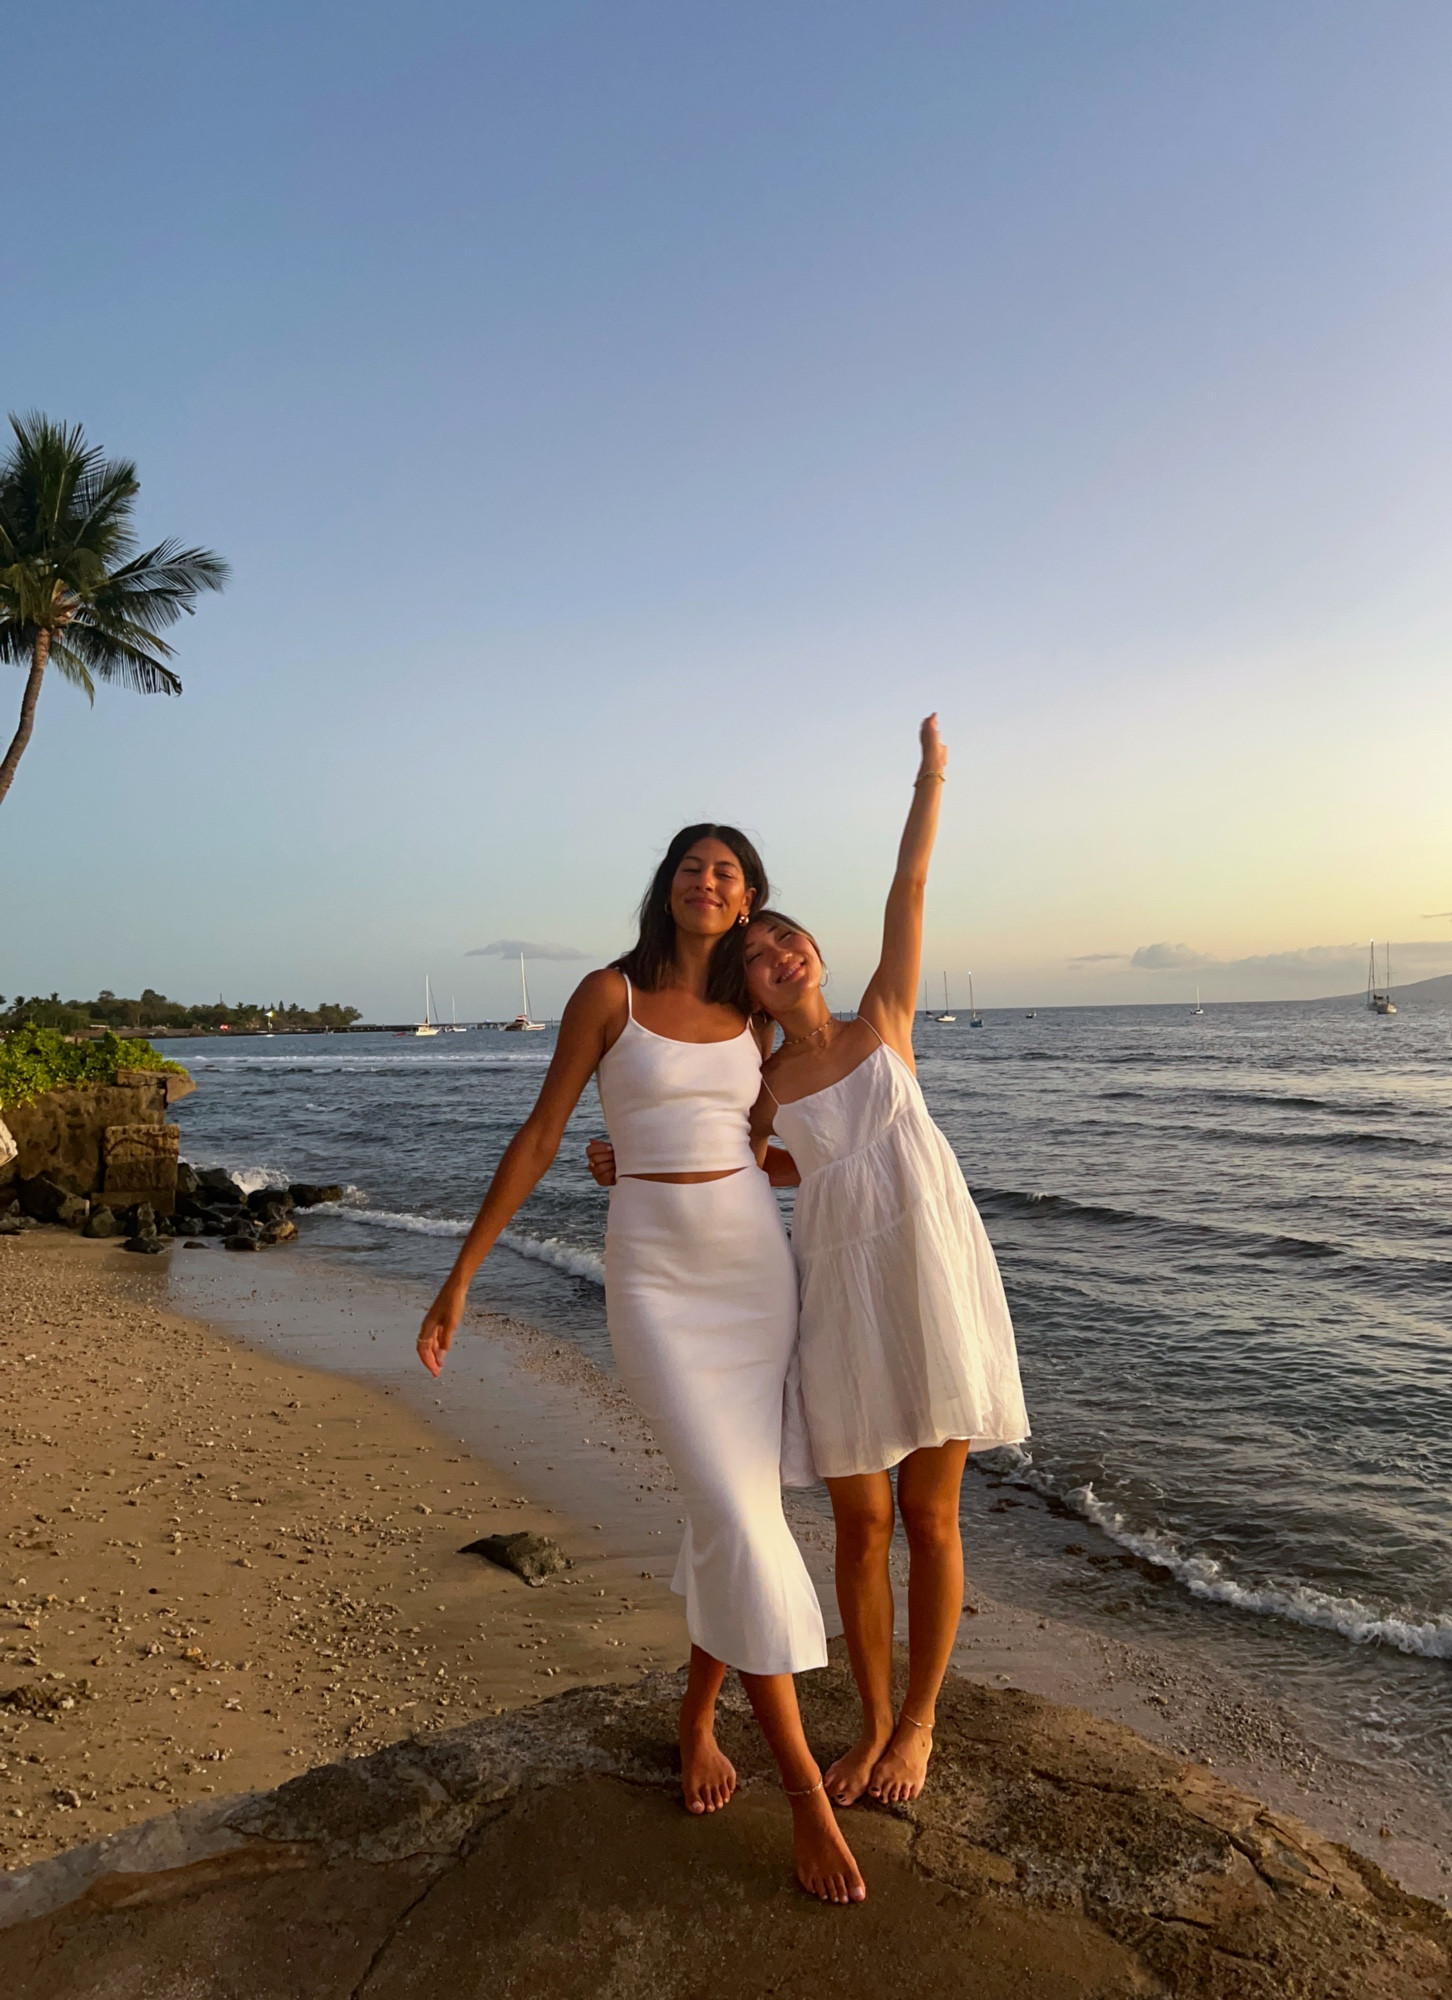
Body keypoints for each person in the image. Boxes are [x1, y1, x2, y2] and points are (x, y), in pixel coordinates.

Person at [417, 824, 865, 1905]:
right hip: (656, 1282)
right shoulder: (606, 995)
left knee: (733, 1507)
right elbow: (541, 1134)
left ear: (749, 899)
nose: (707, 880)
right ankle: (805, 1794)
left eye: (728, 871)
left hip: (754, 1273)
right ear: (669, 885)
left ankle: (698, 1716)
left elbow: (772, 1151)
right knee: (739, 1513)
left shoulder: (759, 1017)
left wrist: (859, 1171)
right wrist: (461, 1273)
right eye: (692, 866)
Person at [743, 714, 1028, 1807]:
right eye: (758, 957)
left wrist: (931, 775)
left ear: (814, 953)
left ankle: (920, 1723)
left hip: (931, 1280)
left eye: (787, 939)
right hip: (839, 1301)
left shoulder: (885, 1020)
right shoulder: (761, 1086)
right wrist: (622, 1160)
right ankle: (868, 1725)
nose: (779, 954)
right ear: (752, 992)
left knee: (930, 1518)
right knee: (861, 1524)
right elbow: (744, 1166)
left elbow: (908, 885)